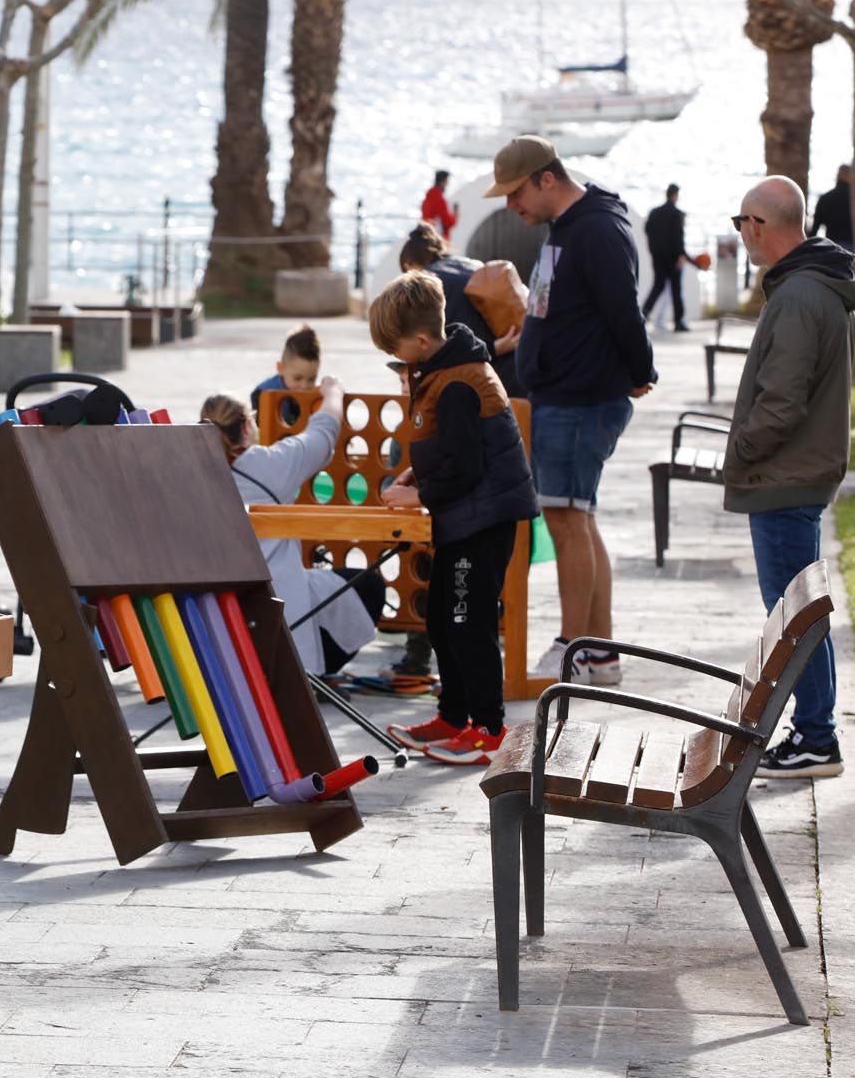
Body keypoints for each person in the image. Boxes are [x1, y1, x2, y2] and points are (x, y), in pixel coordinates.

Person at [489, 135, 653, 688]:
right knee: (577, 515)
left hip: (580, 399)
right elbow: (561, 304)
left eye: (516, 194)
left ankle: (572, 645)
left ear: (547, 179)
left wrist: (640, 371)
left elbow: (623, 309)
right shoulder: (568, 228)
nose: (512, 207)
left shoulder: (597, 230)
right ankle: (598, 651)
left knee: (564, 519)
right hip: (565, 394)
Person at [725, 176, 855, 777]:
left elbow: (781, 403)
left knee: (794, 621)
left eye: (741, 224)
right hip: (793, 475)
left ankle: (816, 738)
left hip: (784, 478)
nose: (740, 235)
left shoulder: (800, 295)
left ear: (760, 224)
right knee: (799, 616)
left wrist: (741, 454)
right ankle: (815, 733)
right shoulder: (809, 287)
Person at [367, 272, 539, 764]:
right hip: (463, 520)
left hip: (481, 523)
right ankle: (453, 715)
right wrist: (413, 474)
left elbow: (465, 466)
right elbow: (448, 447)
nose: (400, 362)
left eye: (397, 351)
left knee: (469, 624)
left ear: (421, 340)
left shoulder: (459, 381)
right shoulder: (444, 370)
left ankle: (488, 729)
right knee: (442, 621)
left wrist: (420, 495)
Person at [201, 381, 379, 674]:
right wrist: (333, 392)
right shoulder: (270, 465)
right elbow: (323, 433)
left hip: (214, 611)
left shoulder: (192, 470)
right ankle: (314, 674)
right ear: (247, 426)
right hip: (276, 606)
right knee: (367, 586)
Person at [398, 222, 522, 397]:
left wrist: (494, 349)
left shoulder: (430, 283)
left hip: (492, 379)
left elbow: (452, 348)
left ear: (409, 264)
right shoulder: (471, 264)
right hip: (520, 365)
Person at [641, 183, 690, 333]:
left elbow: (647, 230)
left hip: (658, 257)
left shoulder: (654, 213)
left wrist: (653, 250)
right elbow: (678, 237)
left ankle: (643, 314)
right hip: (673, 257)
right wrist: (681, 255)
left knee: (658, 285)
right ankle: (678, 322)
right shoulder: (677, 214)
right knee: (676, 289)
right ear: (675, 195)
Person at [249, 325, 321, 417]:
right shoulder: (262, 394)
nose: (305, 386)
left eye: (311, 379)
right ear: (280, 368)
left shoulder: (318, 396)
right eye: (297, 378)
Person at [810, 164, 853, 251]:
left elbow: (816, 226)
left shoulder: (826, 198)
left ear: (837, 176)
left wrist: (809, 247)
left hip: (831, 246)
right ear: (849, 176)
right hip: (852, 246)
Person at [422, 169, 457, 237]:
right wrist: (455, 215)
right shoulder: (439, 199)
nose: (447, 184)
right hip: (436, 238)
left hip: (427, 235)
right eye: (447, 182)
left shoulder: (428, 196)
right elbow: (448, 222)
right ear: (442, 182)